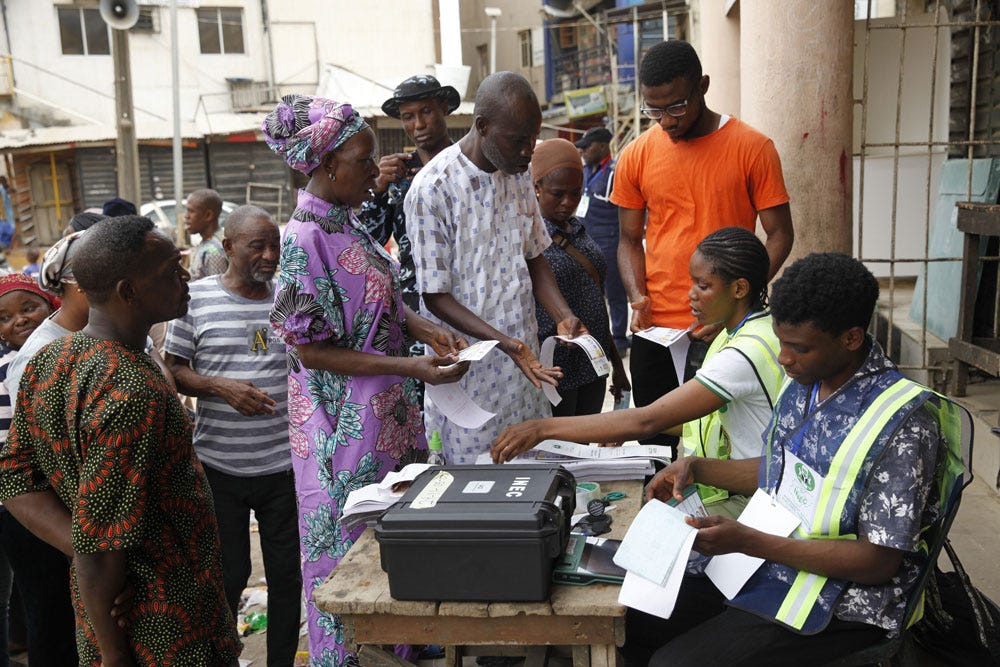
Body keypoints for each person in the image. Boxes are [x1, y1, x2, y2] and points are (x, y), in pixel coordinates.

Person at [623, 253, 963, 666]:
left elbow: (879, 561)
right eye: (781, 342)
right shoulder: (806, 380)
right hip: (770, 560)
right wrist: (698, 468)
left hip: (847, 601)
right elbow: (785, 472)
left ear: (852, 339)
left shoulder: (905, 424)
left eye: (798, 347)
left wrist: (749, 542)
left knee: (674, 663)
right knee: (634, 618)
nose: (783, 358)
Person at [263, 94, 470, 664]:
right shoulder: (304, 240)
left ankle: (399, 643)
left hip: (387, 415)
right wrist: (409, 365)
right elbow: (314, 352)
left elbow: (379, 297)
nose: (371, 169)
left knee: (395, 537)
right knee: (350, 552)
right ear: (328, 164)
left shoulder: (347, 224)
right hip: (343, 429)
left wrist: (423, 327)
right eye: (361, 158)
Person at [0, 215, 241, 665]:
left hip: (114, 612)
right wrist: (114, 655)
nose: (186, 276)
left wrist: (81, 549)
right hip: (160, 626)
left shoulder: (51, 359)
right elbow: (98, 546)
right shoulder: (131, 393)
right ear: (128, 291)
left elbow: (14, 477)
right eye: (171, 270)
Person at [493, 227, 783, 508]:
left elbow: (647, 421)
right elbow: (700, 422)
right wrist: (618, 428)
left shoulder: (740, 354)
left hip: (754, 498)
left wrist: (541, 428)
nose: (691, 294)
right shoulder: (749, 330)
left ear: (739, 288)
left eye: (703, 286)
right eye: (692, 282)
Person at [612, 39, 794, 451]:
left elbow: (781, 232)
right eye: (653, 110)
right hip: (656, 329)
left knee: (720, 440)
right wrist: (636, 296)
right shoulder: (636, 154)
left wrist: (739, 300)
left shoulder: (752, 147)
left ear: (703, 86)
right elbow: (627, 239)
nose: (666, 121)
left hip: (723, 328)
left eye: (676, 107)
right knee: (654, 439)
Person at [405, 71, 585, 464]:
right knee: (479, 490)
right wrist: (507, 344)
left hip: (525, 371)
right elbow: (435, 295)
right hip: (470, 380)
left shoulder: (518, 176)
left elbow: (535, 255)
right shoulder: (432, 189)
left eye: (533, 138)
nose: (528, 151)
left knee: (534, 478)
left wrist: (563, 314)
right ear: (482, 126)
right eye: (519, 140)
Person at [163, 205, 300, 667]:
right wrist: (220, 387)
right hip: (219, 469)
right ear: (227, 248)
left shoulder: (288, 299)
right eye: (255, 246)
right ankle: (223, 658)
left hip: (284, 468)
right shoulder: (195, 300)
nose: (268, 255)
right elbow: (174, 371)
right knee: (229, 575)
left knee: (287, 577)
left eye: (274, 246)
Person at [0, 274, 77, 666]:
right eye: (5, 317)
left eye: (28, 308)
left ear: (50, 304)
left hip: (54, 494)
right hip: (20, 500)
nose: (18, 321)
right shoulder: (14, 364)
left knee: (66, 596)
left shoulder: (63, 350)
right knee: (41, 598)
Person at [4, 231, 176, 403]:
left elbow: (164, 386)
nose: (127, 292)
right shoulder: (37, 358)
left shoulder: (118, 326)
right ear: (82, 283)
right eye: (116, 282)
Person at [529, 138, 629, 417]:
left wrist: (616, 366)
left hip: (592, 366)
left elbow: (595, 303)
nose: (568, 202)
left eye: (575, 193)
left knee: (586, 450)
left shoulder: (577, 230)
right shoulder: (530, 240)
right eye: (558, 194)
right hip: (557, 371)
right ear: (537, 188)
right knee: (563, 451)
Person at [359, 74, 460, 313]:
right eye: (408, 117)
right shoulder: (396, 174)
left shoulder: (465, 167)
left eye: (426, 112)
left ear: (443, 109)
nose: (419, 124)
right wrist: (376, 191)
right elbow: (366, 244)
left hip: (466, 297)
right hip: (415, 306)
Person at [575, 127, 629, 357]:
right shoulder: (584, 171)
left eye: (588, 146)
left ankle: (619, 338)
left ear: (602, 146)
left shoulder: (615, 172)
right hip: (585, 243)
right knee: (590, 295)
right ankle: (595, 337)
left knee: (615, 294)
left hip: (610, 243)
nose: (584, 151)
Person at [185, 188, 228, 280]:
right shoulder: (208, 241)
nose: (186, 216)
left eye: (191, 211)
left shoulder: (213, 252)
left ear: (208, 215)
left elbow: (217, 290)